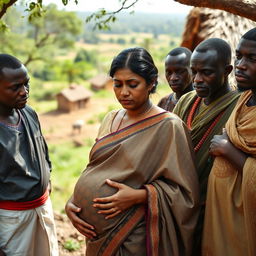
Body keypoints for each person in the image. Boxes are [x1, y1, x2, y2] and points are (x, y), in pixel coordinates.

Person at [65, 47, 199, 255]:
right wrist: (72, 202)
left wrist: (141, 196)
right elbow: (94, 168)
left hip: (133, 234)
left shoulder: (169, 126)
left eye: (132, 84)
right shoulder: (111, 118)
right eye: (117, 85)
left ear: (152, 82)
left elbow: (185, 193)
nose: (123, 92)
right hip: (95, 235)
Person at [173, 38, 240, 255]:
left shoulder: (238, 108)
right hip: (177, 206)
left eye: (207, 73)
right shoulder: (185, 102)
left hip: (213, 209)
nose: (197, 79)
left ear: (227, 70)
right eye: (194, 72)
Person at [202, 28, 256, 256]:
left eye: (252, 58)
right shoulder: (245, 97)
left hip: (245, 222)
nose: (241, 65)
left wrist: (229, 151)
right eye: (239, 56)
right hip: (220, 213)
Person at [0, 54, 58, 256]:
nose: (24, 92)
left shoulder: (29, 113)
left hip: (42, 209)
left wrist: (46, 179)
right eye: (15, 87)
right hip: (12, 220)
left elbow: (43, 153)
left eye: (27, 84)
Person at [158, 47, 193, 111]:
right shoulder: (164, 103)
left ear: (192, 70)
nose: (173, 78)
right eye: (169, 72)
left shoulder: (202, 103)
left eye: (180, 71)